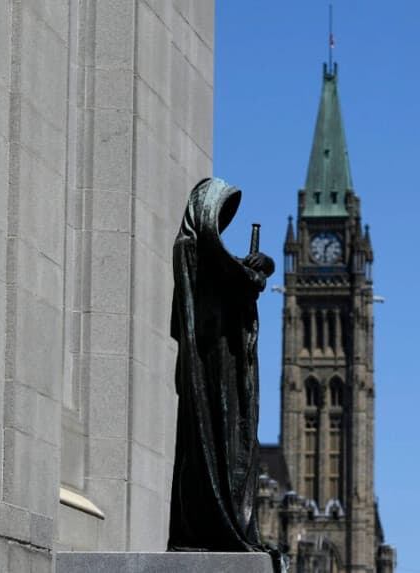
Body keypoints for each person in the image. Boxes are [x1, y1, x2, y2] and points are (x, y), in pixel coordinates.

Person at [167, 178, 278, 568]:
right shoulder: (193, 250)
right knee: (217, 455)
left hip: (224, 373)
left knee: (233, 452)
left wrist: (258, 268)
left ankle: (229, 525)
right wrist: (254, 272)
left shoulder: (201, 252)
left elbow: (233, 279)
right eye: (220, 213)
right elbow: (230, 280)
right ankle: (219, 525)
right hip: (211, 375)